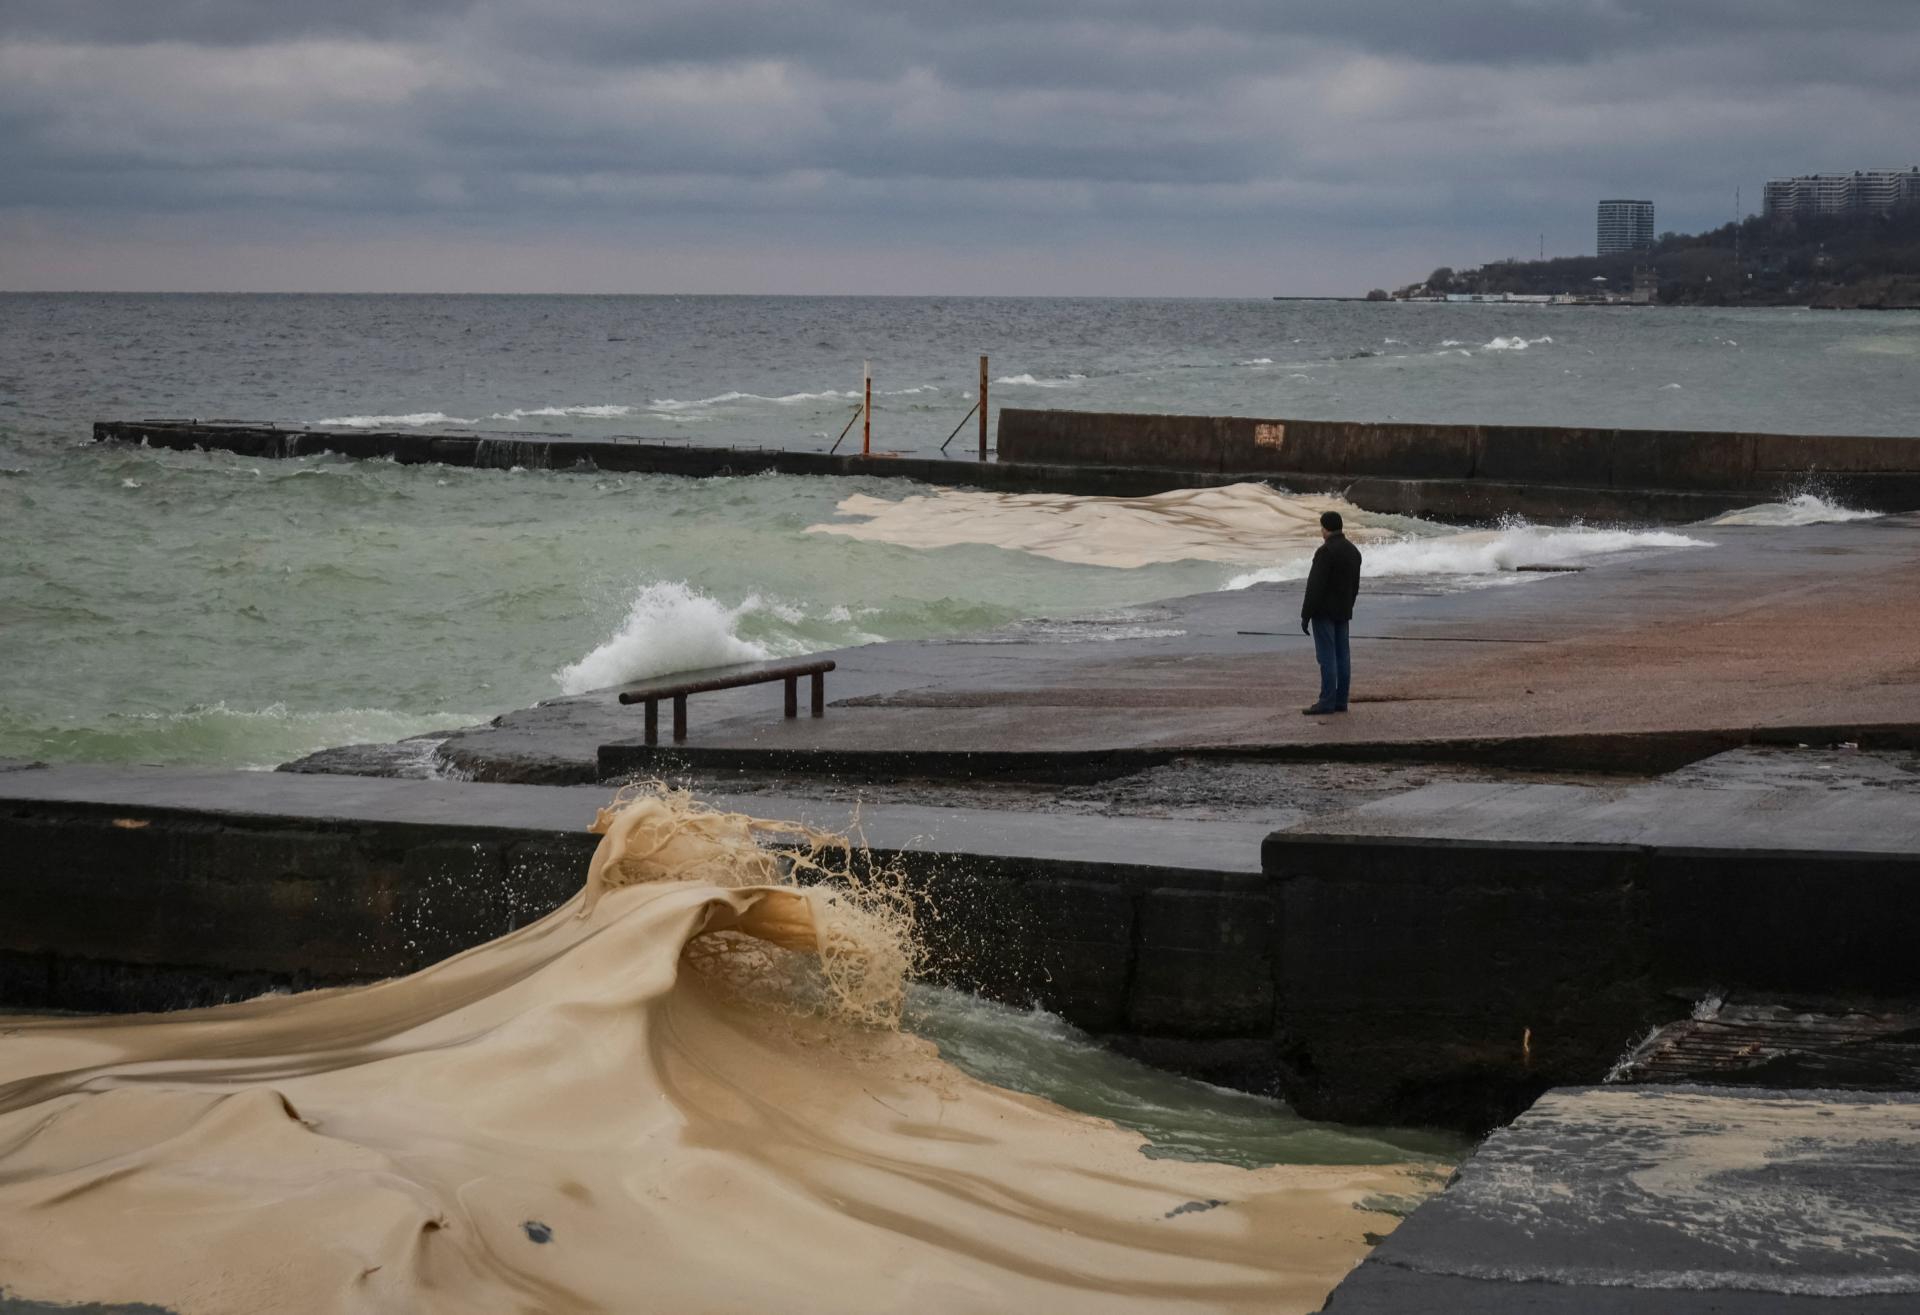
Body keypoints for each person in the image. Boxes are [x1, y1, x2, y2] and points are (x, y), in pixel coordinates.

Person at [1299, 510, 1361, 715]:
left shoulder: (1325, 552)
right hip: (1343, 610)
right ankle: (1341, 700)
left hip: (1324, 612)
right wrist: (1348, 606)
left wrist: (1306, 614)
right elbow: (1355, 586)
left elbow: (1315, 586)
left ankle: (1326, 701)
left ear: (1325, 528)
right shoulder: (1353, 551)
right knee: (1343, 656)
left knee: (1326, 656)